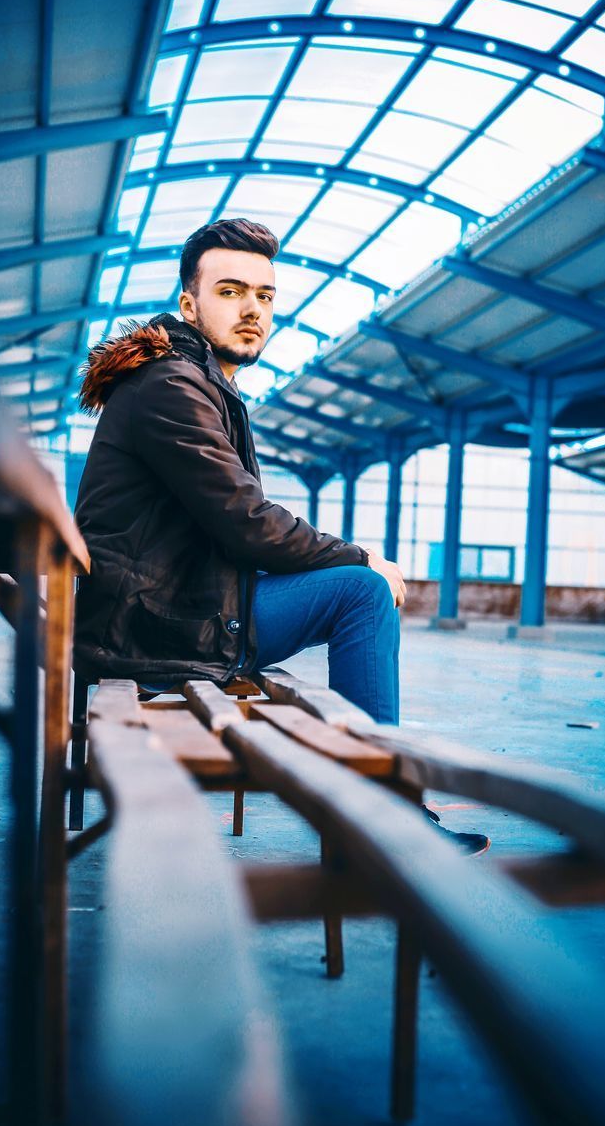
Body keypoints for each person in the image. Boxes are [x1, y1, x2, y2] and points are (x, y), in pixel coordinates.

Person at [74, 218, 488, 854]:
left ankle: (381, 810)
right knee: (360, 590)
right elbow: (247, 524)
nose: (252, 310)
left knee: (353, 588)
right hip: (156, 627)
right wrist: (363, 556)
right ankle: (383, 821)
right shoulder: (172, 387)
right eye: (231, 291)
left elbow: (238, 524)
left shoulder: (196, 382)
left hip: (175, 606)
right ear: (190, 303)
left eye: (264, 297)